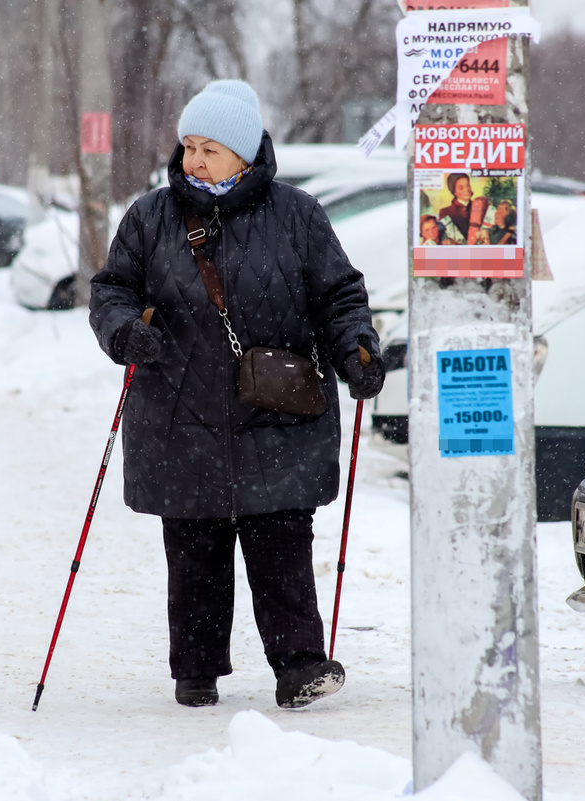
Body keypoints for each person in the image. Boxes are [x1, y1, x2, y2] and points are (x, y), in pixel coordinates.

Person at [89, 80, 384, 709]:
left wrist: (357, 349)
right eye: (189, 146)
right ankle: (195, 673)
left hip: (276, 411)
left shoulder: (297, 215)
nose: (194, 160)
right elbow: (111, 291)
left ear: (246, 155)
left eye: (210, 149)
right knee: (194, 548)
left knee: (281, 543)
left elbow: (339, 297)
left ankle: (300, 666)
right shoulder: (150, 217)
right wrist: (123, 332)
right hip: (179, 408)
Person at [438, 172, 474, 241]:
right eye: (461, 188)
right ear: (454, 192)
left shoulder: (479, 207)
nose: (467, 190)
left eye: (468, 185)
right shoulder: (445, 212)